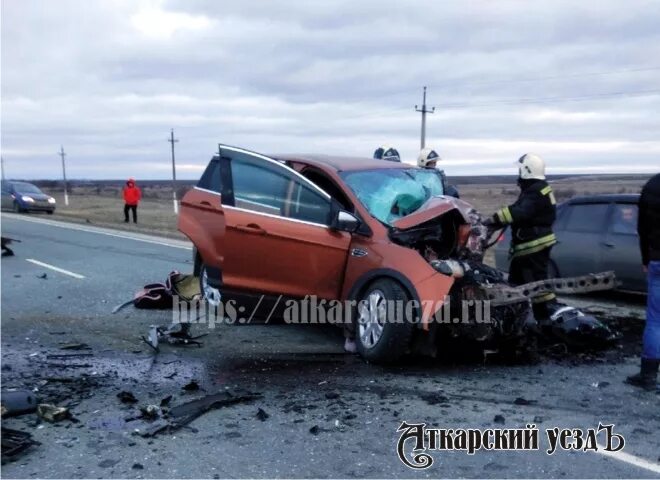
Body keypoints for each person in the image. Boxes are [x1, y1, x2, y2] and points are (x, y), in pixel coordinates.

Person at [483, 153, 557, 321]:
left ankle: (547, 317)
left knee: (536, 284)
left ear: (526, 170)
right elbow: (518, 208)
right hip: (531, 244)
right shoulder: (537, 189)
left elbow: (520, 211)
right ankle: (516, 317)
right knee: (517, 281)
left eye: (520, 169)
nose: (518, 173)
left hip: (533, 244)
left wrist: (494, 219)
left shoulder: (535, 191)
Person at [626, 173, 660, 391]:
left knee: (656, 321)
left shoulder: (652, 186)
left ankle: (648, 375)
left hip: (658, 259)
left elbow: (642, 228)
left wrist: (646, 259)